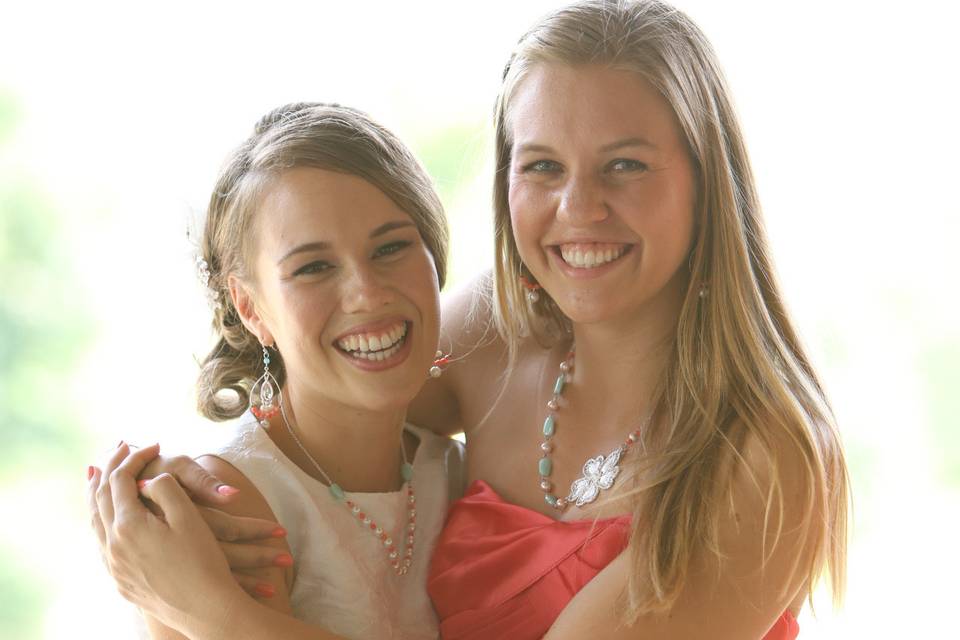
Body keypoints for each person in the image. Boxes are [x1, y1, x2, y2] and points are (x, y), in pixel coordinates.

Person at [91, 1, 849, 638]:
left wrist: (213, 613)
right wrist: (176, 492)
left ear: (706, 179)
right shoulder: (495, 335)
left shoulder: (765, 455)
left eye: (625, 163)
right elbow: (313, 386)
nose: (578, 210)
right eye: (542, 166)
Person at [89, 101, 464, 639]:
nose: (366, 292)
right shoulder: (229, 509)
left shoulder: (458, 471)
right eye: (313, 267)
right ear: (250, 308)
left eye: (392, 247)